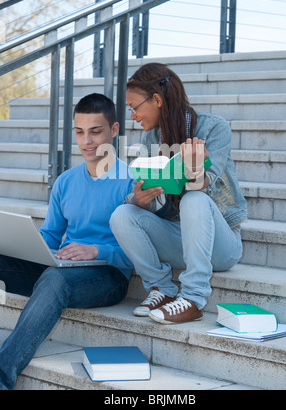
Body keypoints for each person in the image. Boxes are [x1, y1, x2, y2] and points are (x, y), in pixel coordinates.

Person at [0, 93, 133, 390]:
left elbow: (141, 254)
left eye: (95, 131)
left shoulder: (131, 181)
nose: (86, 141)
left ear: (114, 130)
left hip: (108, 276)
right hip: (61, 266)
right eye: (79, 132)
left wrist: (96, 250)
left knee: (54, 280)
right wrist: (19, 244)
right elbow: (50, 235)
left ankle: (2, 376)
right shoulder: (66, 181)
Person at [110, 63, 247, 325]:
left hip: (221, 244)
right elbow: (162, 202)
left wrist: (196, 171)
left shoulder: (213, 128)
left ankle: (194, 299)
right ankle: (163, 289)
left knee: (195, 197)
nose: (133, 116)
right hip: (181, 236)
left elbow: (207, 185)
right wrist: (142, 200)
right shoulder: (152, 139)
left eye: (134, 107)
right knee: (123, 213)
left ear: (157, 100)